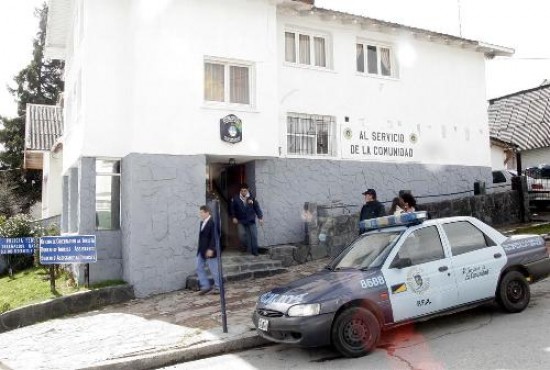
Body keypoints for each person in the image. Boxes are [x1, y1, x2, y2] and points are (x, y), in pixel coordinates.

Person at [230, 183, 264, 256]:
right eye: (242, 191)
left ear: (247, 190)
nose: (243, 192)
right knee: (242, 235)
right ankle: (245, 246)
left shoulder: (252, 198)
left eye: (245, 191)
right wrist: (233, 217)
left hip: (251, 220)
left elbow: (257, 208)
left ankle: (255, 251)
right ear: (240, 190)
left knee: (254, 235)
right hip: (241, 220)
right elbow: (232, 209)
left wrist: (260, 217)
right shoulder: (235, 198)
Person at [196, 205, 221, 295]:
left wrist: (211, 249)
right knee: (198, 267)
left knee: (214, 269)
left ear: (207, 212)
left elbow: (215, 237)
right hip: (201, 250)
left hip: (210, 251)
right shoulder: (202, 223)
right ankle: (206, 286)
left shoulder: (213, 223)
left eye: (202, 212)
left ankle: (218, 287)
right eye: (200, 212)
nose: (200, 214)